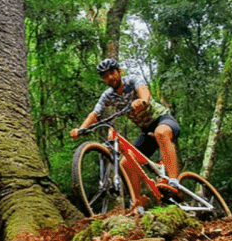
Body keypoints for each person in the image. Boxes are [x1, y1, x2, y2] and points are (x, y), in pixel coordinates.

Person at [70, 58, 181, 199]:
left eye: (112, 73)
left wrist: (143, 101)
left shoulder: (132, 80)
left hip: (163, 120)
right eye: (105, 76)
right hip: (146, 131)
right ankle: (138, 202)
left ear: (119, 72)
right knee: (126, 163)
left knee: (161, 132)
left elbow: (144, 91)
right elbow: (95, 114)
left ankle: (173, 181)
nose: (110, 77)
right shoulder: (108, 95)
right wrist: (80, 130)